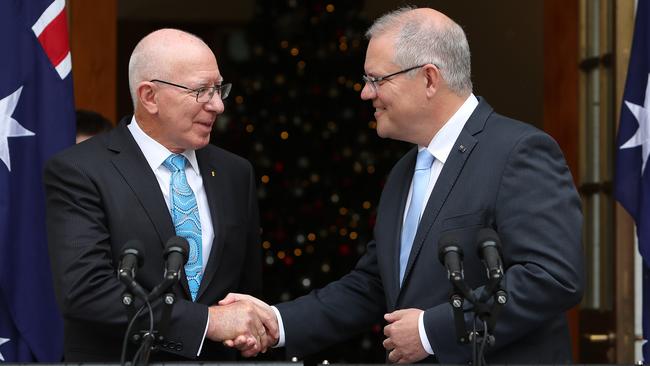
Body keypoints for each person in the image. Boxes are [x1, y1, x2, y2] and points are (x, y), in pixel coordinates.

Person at [221, 6, 584, 364]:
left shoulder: (519, 151)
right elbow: (374, 285)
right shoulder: (404, 170)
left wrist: (430, 331)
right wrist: (277, 322)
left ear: (429, 78)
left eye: (377, 80)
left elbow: (551, 277)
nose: (366, 93)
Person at [43, 29, 273, 361]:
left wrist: (246, 329)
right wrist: (206, 322)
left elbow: (247, 289)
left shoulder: (235, 173)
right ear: (150, 96)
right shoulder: (80, 171)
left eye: (219, 88)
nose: (218, 105)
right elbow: (87, 293)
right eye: (201, 91)